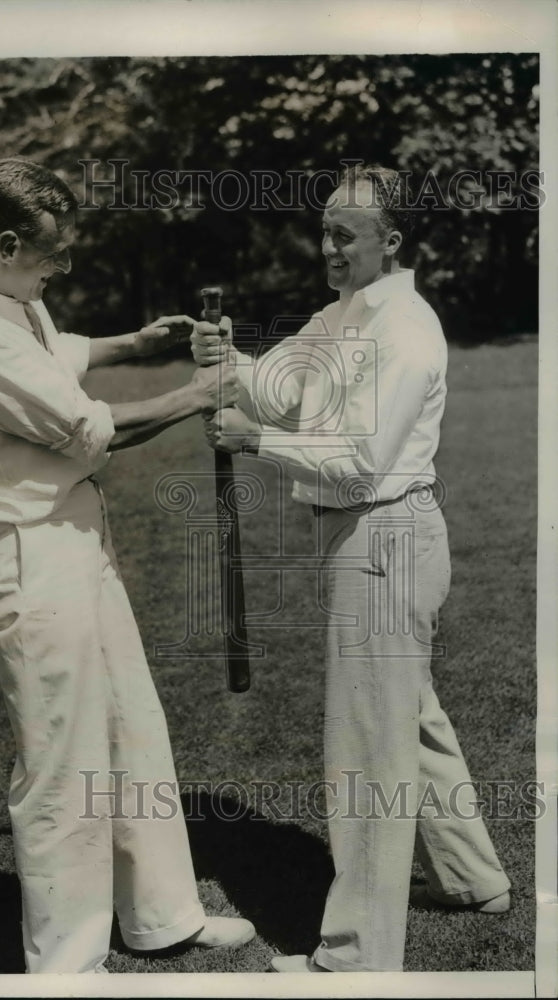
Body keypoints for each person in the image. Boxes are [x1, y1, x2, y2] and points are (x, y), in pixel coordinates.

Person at [0, 157, 254, 973]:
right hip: (28, 553)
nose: (62, 266)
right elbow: (90, 431)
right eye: (54, 254)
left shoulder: (6, 296)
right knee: (61, 757)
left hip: (75, 536)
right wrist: (198, 395)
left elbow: (56, 351)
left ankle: (162, 916)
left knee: (130, 726)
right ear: (7, 243)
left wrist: (131, 343)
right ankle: (68, 965)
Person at [192, 164, 510, 972]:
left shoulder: (406, 329)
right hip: (357, 537)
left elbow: (365, 461)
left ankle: (356, 955)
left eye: (346, 235)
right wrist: (227, 360)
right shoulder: (338, 318)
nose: (328, 247)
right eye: (325, 230)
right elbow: (276, 386)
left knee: (367, 747)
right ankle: (473, 878)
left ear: (390, 242)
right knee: (411, 718)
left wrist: (255, 441)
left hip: (385, 533)